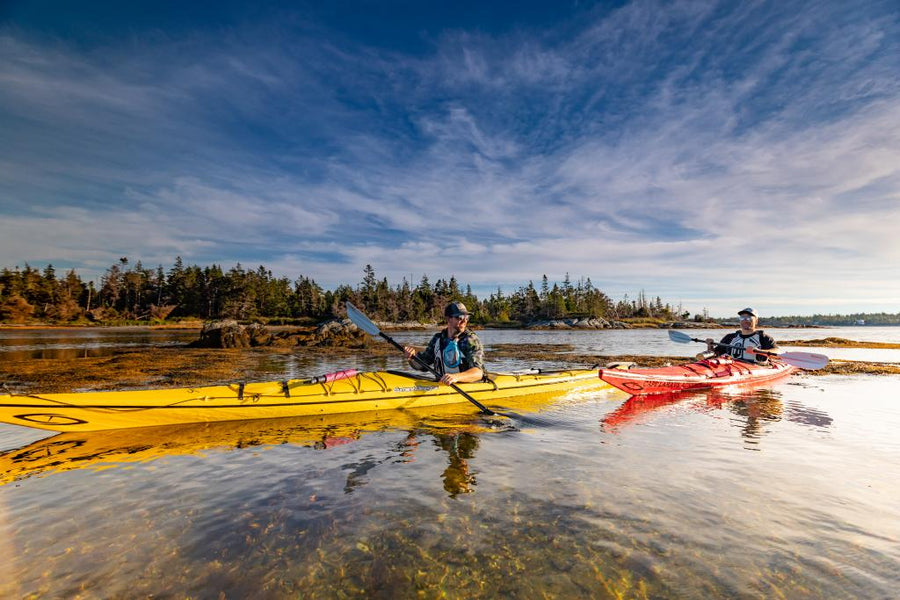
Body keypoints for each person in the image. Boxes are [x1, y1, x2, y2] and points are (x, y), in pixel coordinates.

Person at [403, 301, 485, 385]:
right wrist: (411, 358)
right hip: (442, 386)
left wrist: (456, 377)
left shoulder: (470, 340)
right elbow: (422, 365)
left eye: (466, 317)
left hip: (466, 388)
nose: (464, 321)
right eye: (459, 317)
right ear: (448, 319)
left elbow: (478, 373)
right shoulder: (438, 339)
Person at [705, 307, 780, 363]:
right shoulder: (730, 337)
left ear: (756, 321)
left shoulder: (763, 337)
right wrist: (710, 345)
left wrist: (759, 351)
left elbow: (777, 351)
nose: (745, 320)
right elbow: (715, 354)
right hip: (733, 368)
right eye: (742, 317)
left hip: (756, 368)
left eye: (749, 318)